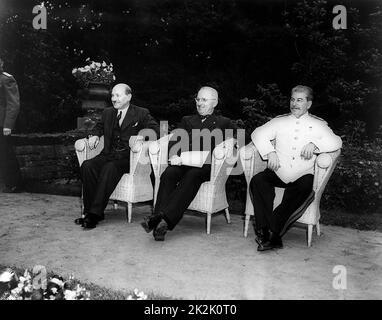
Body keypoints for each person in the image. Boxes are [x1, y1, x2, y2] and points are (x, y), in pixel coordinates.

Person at [249, 85, 342, 251]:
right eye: (292, 99)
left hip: (302, 173)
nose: (294, 103)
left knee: (305, 187)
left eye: (300, 100)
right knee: (258, 180)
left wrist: (316, 144)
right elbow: (257, 133)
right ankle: (264, 231)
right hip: (278, 170)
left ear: (309, 104)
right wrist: (270, 152)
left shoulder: (319, 124)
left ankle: (272, 232)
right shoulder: (279, 121)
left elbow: (337, 141)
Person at [141, 86, 237, 241]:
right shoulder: (187, 120)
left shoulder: (224, 122)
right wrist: (174, 155)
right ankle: (159, 221)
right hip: (184, 162)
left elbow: (240, 138)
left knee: (193, 175)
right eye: (198, 99)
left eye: (204, 100)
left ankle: (162, 221)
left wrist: (232, 140)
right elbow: (174, 140)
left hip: (206, 167)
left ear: (215, 103)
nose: (199, 103)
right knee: (169, 173)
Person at [76, 83, 159, 229]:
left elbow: (155, 130)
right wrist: (95, 136)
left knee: (110, 167)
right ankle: (90, 211)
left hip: (127, 159)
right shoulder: (108, 112)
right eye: (113, 95)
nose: (114, 99)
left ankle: (94, 215)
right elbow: (99, 127)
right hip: (107, 154)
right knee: (87, 165)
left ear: (128, 97)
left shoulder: (141, 113)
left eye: (118, 95)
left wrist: (141, 136)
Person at [0, 57, 22, 193]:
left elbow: (13, 103)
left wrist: (8, 125)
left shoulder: (6, 79)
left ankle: (13, 183)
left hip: (2, 123)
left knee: (5, 152)